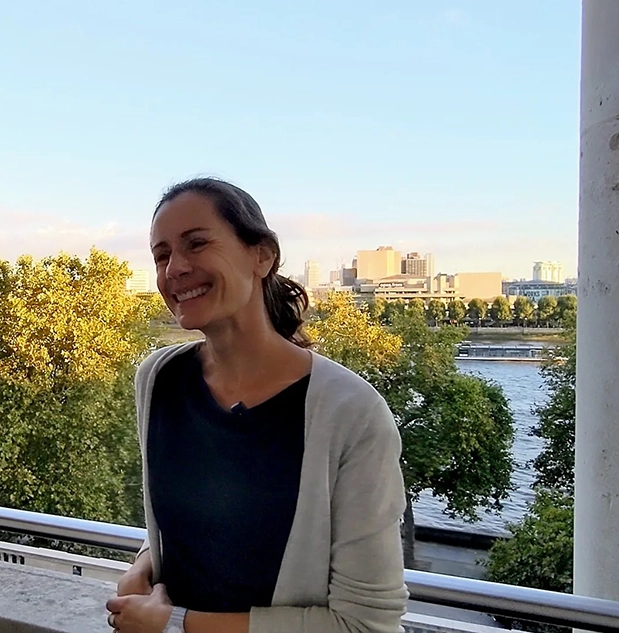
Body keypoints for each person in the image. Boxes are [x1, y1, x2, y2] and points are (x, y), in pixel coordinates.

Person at [105, 178, 409, 633]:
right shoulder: (157, 378)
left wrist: (177, 624)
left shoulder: (350, 413)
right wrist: (145, 563)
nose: (174, 269)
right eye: (162, 254)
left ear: (262, 255)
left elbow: (364, 625)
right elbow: (206, 521)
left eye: (197, 243)